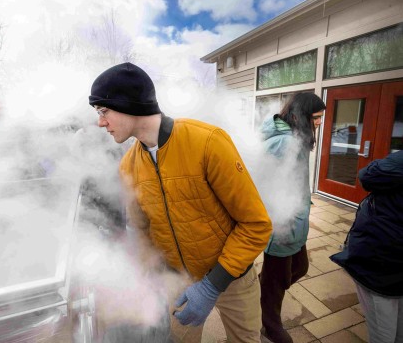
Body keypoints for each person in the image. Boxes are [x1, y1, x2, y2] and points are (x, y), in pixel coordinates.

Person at [89, 62, 272, 342]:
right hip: (178, 280)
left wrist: (212, 286)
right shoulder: (128, 165)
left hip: (233, 277)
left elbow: (256, 225)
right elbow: (140, 230)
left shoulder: (208, 142)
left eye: (103, 111)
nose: (100, 122)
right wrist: (148, 277)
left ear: (129, 104)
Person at [258, 92, 326, 343]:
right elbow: (261, 180)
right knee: (277, 282)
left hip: (294, 221)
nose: (319, 122)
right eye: (316, 117)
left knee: (299, 268)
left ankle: (264, 287)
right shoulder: (284, 143)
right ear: (300, 116)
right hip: (282, 224)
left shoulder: (296, 138)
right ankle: (270, 325)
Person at [330, 150, 403, 343]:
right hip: (382, 267)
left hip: (387, 266)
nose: (318, 123)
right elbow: (367, 176)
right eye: (317, 118)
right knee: (386, 332)